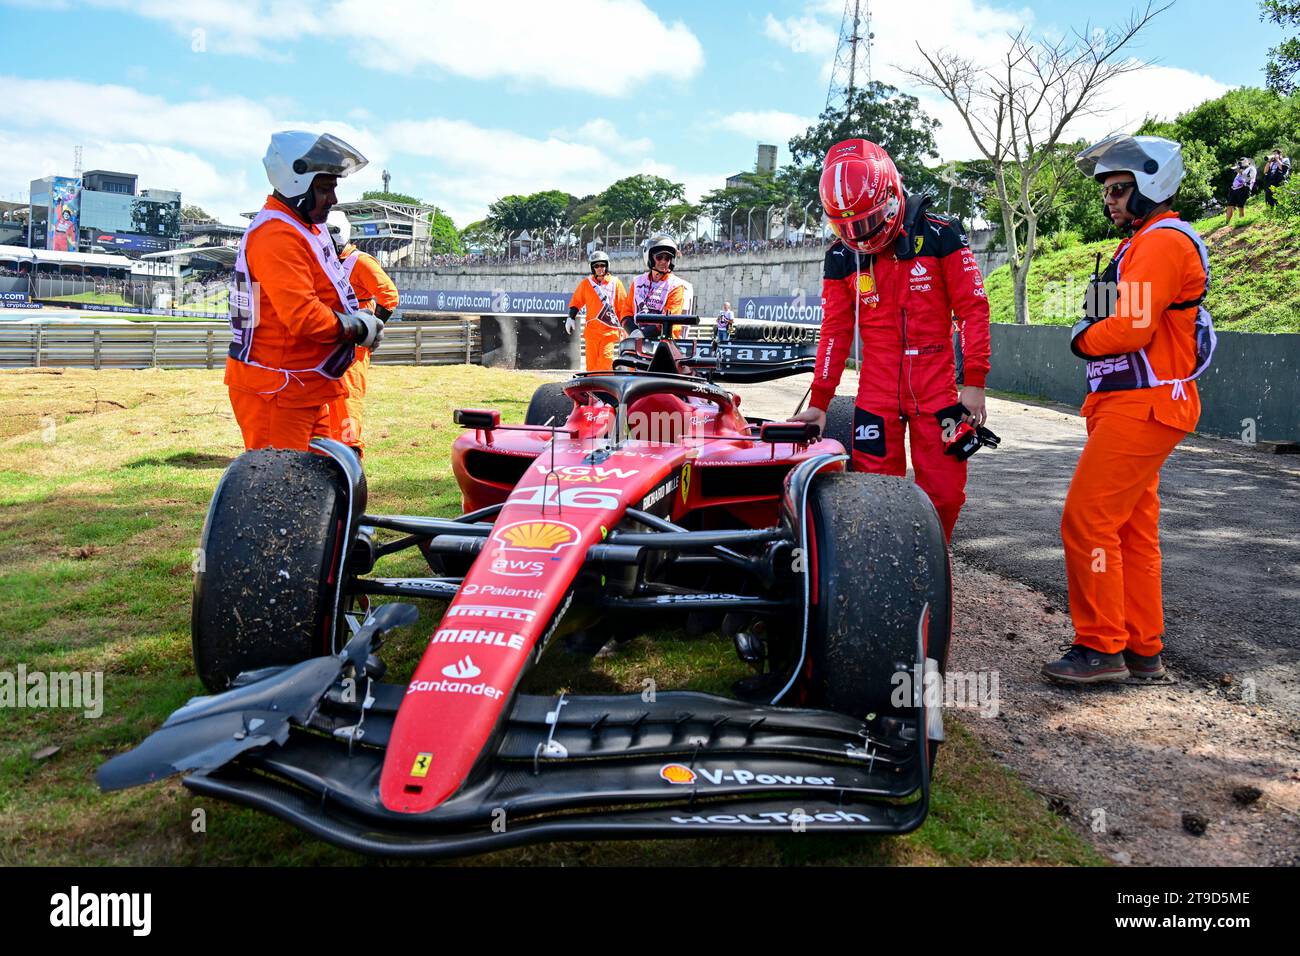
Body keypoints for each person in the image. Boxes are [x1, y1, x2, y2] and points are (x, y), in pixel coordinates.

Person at [1044, 134, 1216, 685]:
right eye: (1106, 192)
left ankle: (1100, 646)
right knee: (1128, 532)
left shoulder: (1163, 242)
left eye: (1120, 189)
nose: (1110, 200)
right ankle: (1142, 647)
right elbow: (1106, 320)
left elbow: (1128, 329)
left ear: (1151, 183)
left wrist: (1080, 339)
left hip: (1142, 406)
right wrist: (1091, 329)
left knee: (1087, 519)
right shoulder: (1130, 248)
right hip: (1125, 403)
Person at [791, 138, 992, 543]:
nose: (857, 235)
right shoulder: (840, 256)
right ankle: (886, 572)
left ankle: (932, 568)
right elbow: (835, 331)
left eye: (864, 223)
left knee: (946, 495)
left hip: (938, 391)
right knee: (875, 494)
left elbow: (973, 308)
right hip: (876, 389)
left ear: (890, 199)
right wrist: (819, 403)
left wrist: (974, 384)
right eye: (844, 227)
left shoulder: (941, 234)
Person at [226, 130, 383, 452]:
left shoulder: (304, 228)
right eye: (325, 189)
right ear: (296, 182)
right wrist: (357, 327)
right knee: (282, 494)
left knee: (320, 482)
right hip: (278, 390)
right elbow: (303, 317)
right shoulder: (277, 235)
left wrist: (357, 316)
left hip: (304, 386)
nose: (334, 199)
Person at [326, 210, 399, 455]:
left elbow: (389, 296)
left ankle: (351, 450)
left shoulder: (361, 262)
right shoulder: (325, 260)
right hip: (327, 341)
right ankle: (328, 448)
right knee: (327, 397)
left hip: (353, 346)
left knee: (348, 396)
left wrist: (371, 329)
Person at [618, 235, 693, 341]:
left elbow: (669, 319)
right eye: (659, 257)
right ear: (649, 258)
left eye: (667, 258)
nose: (663, 261)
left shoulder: (676, 286)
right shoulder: (637, 282)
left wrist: (643, 334)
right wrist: (634, 332)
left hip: (664, 343)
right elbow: (626, 313)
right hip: (636, 341)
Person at [566, 249, 629, 372]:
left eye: (602, 265)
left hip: (609, 332)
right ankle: (592, 389)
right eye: (596, 266)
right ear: (592, 268)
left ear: (607, 266)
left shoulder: (616, 283)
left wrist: (626, 328)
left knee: (606, 362)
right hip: (592, 333)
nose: (600, 268)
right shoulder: (586, 284)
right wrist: (571, 317)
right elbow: (576, 301)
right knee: (591, 366)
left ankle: (604, 389)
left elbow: (623, 307)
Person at [1224, 158, 1256, 225]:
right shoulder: (1241, 170)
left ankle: (1241, 222)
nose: (1242, 163)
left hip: (1243, 189)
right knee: (1230, 205)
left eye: (1243, 162)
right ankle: (1226, 222)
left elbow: (1249, 178)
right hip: (1234, 190)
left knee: (1240, 206)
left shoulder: (1252, 168)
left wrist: (1241, 173)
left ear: (1248, 162)